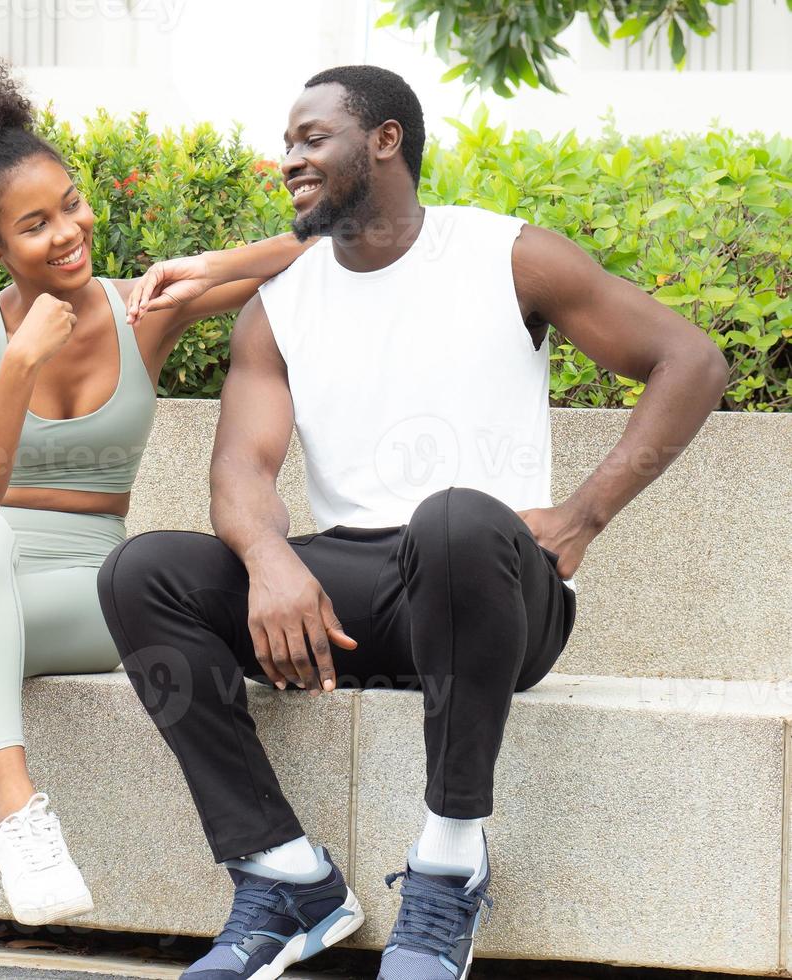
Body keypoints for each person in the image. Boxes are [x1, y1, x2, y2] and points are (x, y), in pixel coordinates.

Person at [99, 64, 728, 980]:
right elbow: (240, 467)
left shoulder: (508, 256)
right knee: (141, 571)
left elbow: (691, 361)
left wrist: (583, 516)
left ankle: (447, 865)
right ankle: (282, 878)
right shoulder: (280, 305)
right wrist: (269, 557)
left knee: (453, 521)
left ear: (385, 139)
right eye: (286, 144)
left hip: (495, 595)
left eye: (312, 137)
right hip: (353, 600)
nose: (290, 160)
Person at [0, 60, 318, 979]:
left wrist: (207, 267)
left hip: (96, 593)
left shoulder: (139, 308)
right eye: (33, 225)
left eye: (71, 205)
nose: (69, 232)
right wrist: (17, 373)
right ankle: (17, 813)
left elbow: (302, 250)